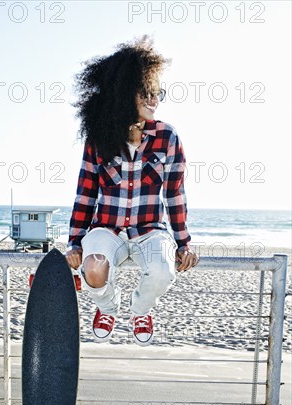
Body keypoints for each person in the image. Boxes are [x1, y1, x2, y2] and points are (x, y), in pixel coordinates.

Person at [66, 35, 199, 346]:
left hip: (151, 230)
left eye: (158, 93)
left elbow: (175, 194)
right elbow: (85, 194)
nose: (155, 99)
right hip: (106, 229)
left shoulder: (167, 137)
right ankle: (107, 307)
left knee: (164, 271)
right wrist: (74, 241)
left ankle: (140, 310)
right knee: (94, 265)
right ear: (125, 93)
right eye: (147, 93)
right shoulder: (98, 139)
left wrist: (184, 243)